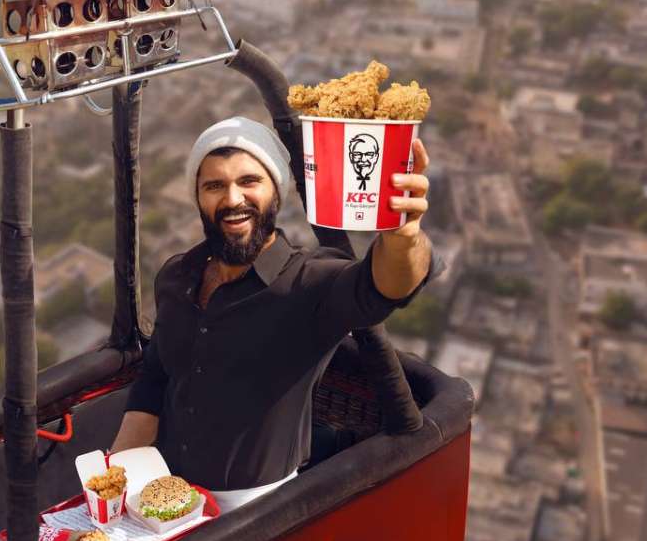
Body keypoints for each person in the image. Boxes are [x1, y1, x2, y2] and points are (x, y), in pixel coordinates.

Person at [111, 116, 441, 511]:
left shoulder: (308, 284)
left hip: (250, 512)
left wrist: (403, 235)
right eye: (214, 186)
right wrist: (114, 478)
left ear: (276, 193)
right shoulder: (177, 277)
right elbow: (155, 379)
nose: (233, 199)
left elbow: (385, 286)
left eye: (249, 181)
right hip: (159, 493)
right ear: (198, 198)